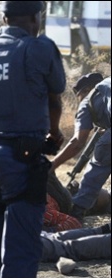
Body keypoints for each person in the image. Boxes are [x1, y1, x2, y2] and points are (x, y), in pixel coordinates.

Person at [0, 1, 66, 278]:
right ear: (37, 18)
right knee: (20, 250)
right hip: (20, 159)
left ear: (4, 18)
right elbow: (55, 96)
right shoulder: (38, 48)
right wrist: (55, 132)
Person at [51, 73, 111, 222]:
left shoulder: (88, 99)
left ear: (86, 90)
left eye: (78, 97)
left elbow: (77, 142)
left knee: (96, 169)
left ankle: (76, 213)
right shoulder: (107, 86)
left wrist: (53, 165)